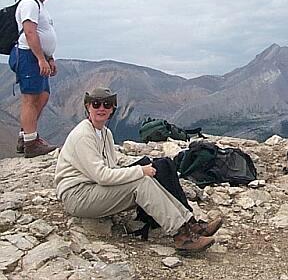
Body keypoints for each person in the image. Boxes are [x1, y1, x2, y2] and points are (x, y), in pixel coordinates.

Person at [54, 87, 221, 252]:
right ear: (87, 107)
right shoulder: (84, 135)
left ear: (113, 108)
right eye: (96, 104)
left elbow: (111, 167)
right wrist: (140, 171)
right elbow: (102, 176)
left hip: (90, 189)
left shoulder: (104, 133)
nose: (101, 108)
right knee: (141, 182)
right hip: (77, 195)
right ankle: (181, 236)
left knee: (152, 172)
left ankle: (190, 224)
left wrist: (140, 169)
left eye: (107, 104)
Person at [8, 0, 59, 158]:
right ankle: (31, 143)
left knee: (43, 96)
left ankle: (25, 136)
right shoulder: (30, 3)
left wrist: (49, 57)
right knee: (30, 98)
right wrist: (40, 58)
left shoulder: (40, 6)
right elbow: (30, 32)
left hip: (36, 55)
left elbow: (43, 34)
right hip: (27, 54)